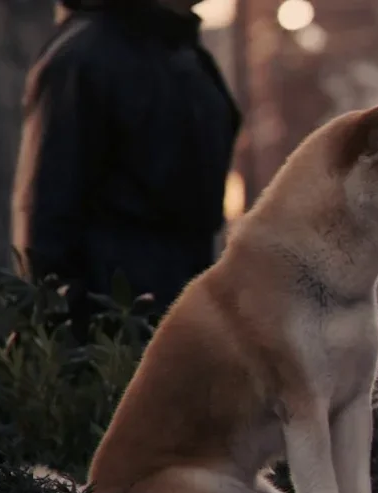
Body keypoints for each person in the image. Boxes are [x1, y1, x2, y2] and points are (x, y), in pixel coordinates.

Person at [12, 0, 240, 334]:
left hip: (180, 327)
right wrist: (56, 347)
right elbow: (47, 218)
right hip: (109, 336)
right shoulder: (83, 57)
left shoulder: (189, 58)